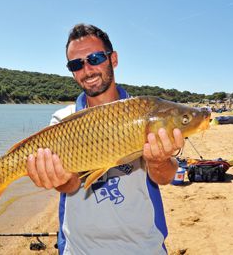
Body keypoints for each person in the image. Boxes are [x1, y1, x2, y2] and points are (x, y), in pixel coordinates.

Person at [26, 23, 183, 254]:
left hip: (142, 247)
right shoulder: (62, 120)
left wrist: (159, 161)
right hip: (80, 249)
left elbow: (165, 177)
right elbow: (69, 185)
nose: (87, 70)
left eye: (95, 58)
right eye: (76, 64)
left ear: (113, 59)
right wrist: (56, 178)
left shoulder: (146, 112)